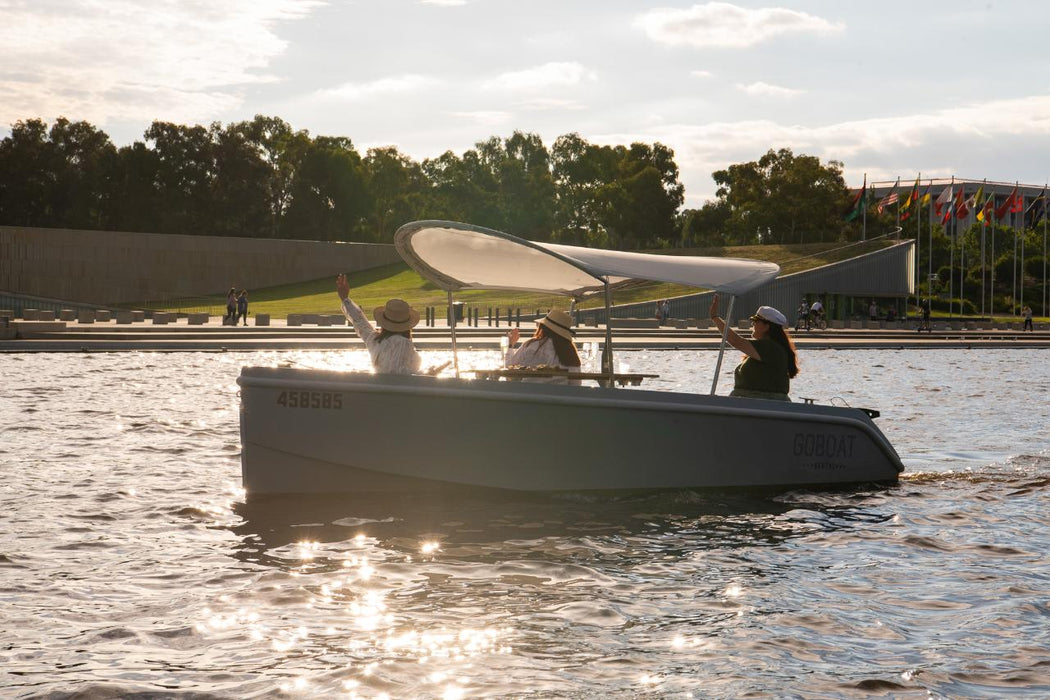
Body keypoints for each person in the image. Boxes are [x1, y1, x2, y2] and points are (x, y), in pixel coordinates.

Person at [709, 293, 798, 401]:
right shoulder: (771, 347)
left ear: (766, 326)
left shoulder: (769, 347)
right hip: (753, 403)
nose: (752, 325)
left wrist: (715, 317)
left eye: (756, 321)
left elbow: (736, 341)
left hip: (762, 404)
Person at [336, 273, 422, 375]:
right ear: (407, 325)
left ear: (384, 322)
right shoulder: (404, 343)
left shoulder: (374, 340)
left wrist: (345, 299)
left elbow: (360, 322)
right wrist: (424, 374)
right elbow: (396, 374)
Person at [504, 309, 582, 383]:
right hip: (559, 395)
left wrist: (511, 344)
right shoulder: (571, 355)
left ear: (543, 327)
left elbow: (509, 367)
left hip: (529, 393)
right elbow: (576, 385)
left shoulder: (531, 345)